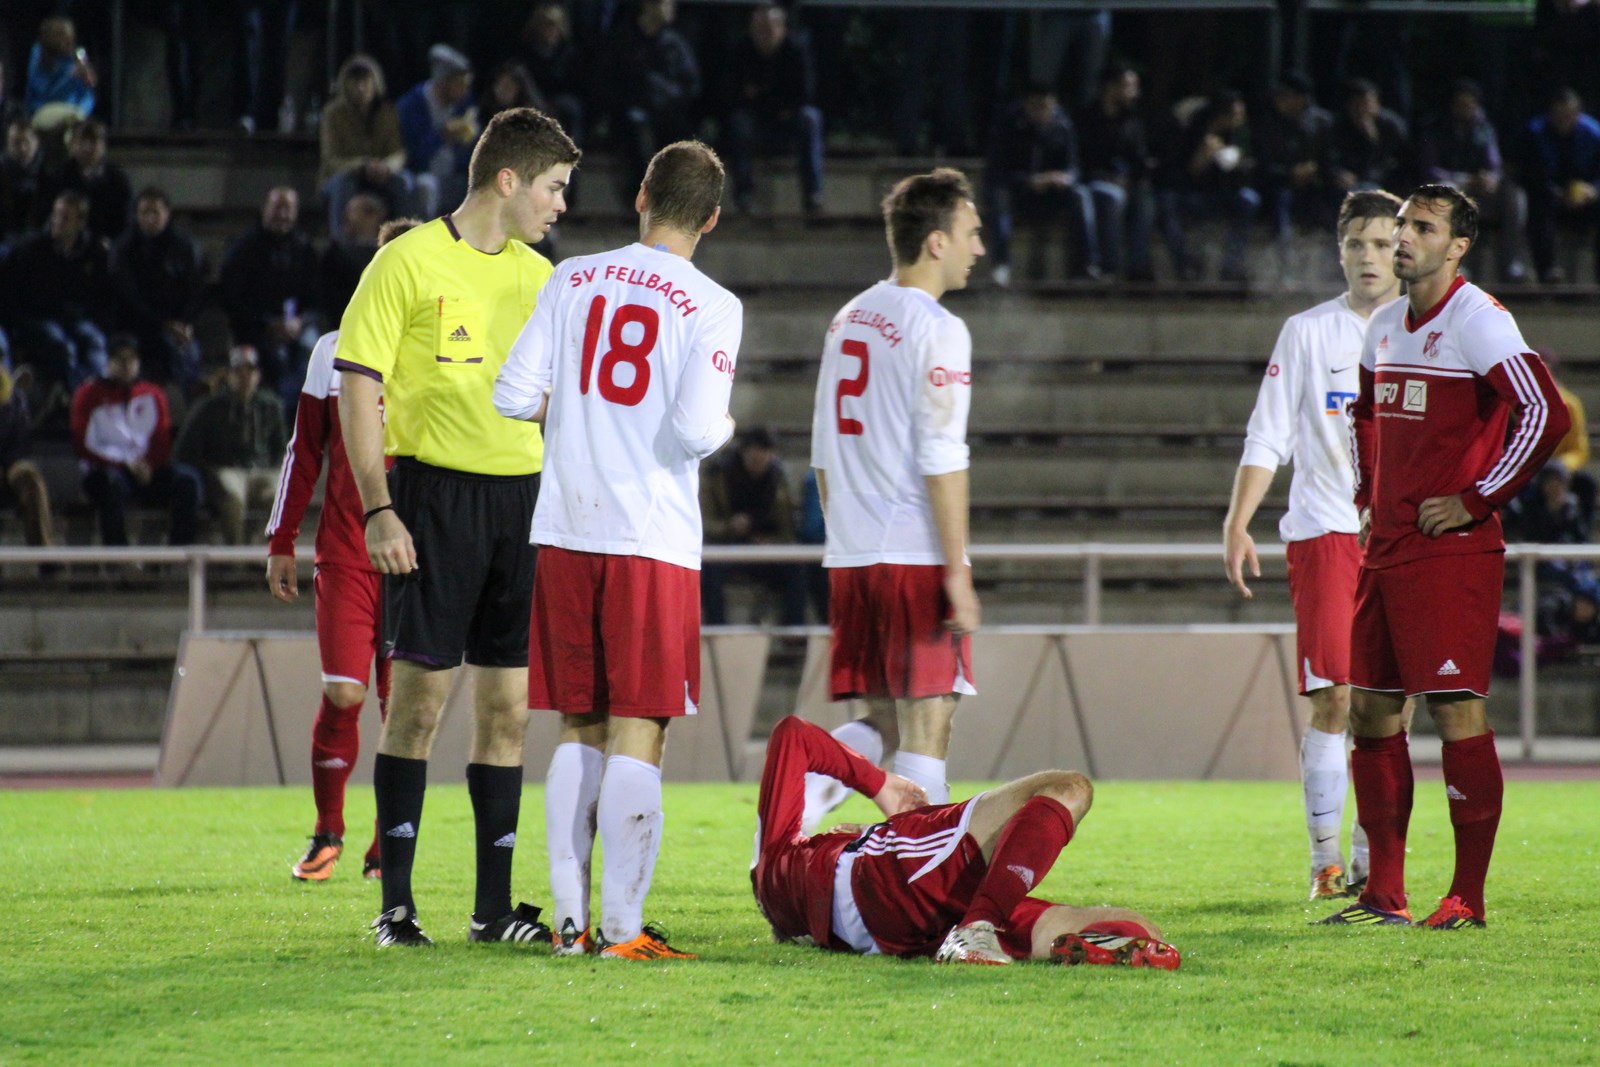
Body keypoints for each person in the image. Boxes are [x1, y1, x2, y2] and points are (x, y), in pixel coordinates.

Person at [335, 106, 580, 949]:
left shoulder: (543, 278)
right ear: (507, 180)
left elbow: (560, 402)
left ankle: (492, 910)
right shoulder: (405, 262)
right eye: (552, 188)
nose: (558, 206)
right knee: (419, 703)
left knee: (509, 709)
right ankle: (395, 906)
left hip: (523, 504)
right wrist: (378, 505)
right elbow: (357, 387)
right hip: (432, 499)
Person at [493, 139, 740, 961]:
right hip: (650, 538)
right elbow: (702, 430)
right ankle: (623, 929)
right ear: (708, 217)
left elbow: (512, 394)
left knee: (578, 724)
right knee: (641, 728)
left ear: (641, 195)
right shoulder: (711, 303)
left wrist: (580, 422)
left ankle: (570, 923)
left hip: (564, 527)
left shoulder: (571, 277)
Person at [1321, 184, 1571, 930]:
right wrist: (1369, 495)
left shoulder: (1479, 320)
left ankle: (1466, 895)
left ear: (1457, 246)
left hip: (1451, 550)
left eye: (1420, 227)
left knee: (1455, 711)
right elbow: (1367, 416)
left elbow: (1546, 411)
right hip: (1390, 546)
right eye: (1401, 224)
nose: (1403, 237)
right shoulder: (1387, 324)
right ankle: (1384, 893)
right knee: (1370, 710)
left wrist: (1477, 496)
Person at [1224, 189, 1403, 901]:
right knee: (1334, 696)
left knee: (1387, 705)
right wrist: (1238, 519)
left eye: (1384, 244)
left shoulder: (1419, 337)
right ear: (1340, 250)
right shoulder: (1307, 332)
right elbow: (1268, 432)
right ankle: (1325, 859)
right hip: (1326, 530)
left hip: (1395, 540)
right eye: (1357, 243)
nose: (1370, 256)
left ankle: (1370, 858)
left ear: (1405, 250)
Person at [804, 168, 982, 832]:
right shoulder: (937, 326)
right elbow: (942, 456)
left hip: (852, 550)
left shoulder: (849, 315)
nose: (979, 247)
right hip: (912, 549)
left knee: (880, 716)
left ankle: (799, 802)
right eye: (971, 232)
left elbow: (822, 449)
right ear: (936, 242)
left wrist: (845, 537)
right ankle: (915, 879)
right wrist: (956, 569)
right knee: (929, 716)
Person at [751, 715, 1181, 968]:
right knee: (1069, 788)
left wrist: (859, 831)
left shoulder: (782, 890)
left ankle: (988, 928)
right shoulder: (777, 860)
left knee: (1139, 931)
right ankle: (977, 929)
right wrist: (879, 783)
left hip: (911, 931)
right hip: (895, 882)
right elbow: (793, 733)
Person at [267, 216, 421, 885]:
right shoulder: (332, 350)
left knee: (403, 704)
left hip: (416, 554)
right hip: (346, 551)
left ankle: (389, 841)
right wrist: (282, 539)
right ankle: (329, 828)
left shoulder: (439, 351)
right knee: (345, 688)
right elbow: (305, 451)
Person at [70, 335, 202, 547]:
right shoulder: (88, 394)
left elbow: (162, 437)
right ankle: (118, 556)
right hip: (106, 470)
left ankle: (180, 552)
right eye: (120, 359)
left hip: (147, 469)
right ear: (108, 361)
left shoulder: (153, 394)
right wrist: (124, 463)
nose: (126, 365)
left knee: (188, 481)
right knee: (111, 485)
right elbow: (82, 441)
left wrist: (148, 464)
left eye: (131, 359)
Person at [218, 186, 322, 407]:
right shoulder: (244, 248)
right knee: (277, 360)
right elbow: (233, 299)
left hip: (296, 325)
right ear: (264, 209)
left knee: (314, 355)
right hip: (255, 328)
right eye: (277, 208)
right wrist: (267, 324)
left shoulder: (303, 248)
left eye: (288, 209)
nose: (282, 215)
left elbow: (315, 298)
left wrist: (298, 322)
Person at [175, 345, 288, 544]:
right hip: (225, 468)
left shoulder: (270, 406)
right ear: (228, 375)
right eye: (238, 371)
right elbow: (186, 449)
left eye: (250, 371)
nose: (245, 377)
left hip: (259, 470)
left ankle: (264, 555)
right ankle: (236, 556)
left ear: (258, 375)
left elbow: (281, 447)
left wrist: (276, 468)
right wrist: (205, 470)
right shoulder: (210, 406)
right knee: (233, 496)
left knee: (280, 493)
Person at [1418, 80, 1525, 284]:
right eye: (1461, 105)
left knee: (1513, 195)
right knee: (1446, 193)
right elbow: (1429, 170)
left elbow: (1494, 164)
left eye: (1470, 105)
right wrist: (1466, 180)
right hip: (1451, 188)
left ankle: (1511, 264)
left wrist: (1489, 178)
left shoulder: (1483, 128)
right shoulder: (1434, 129)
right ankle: (1456, 263)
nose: (1466, 110)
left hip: (1480, 194)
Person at [700, 425, 807, 627]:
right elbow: (705, 524)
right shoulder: (719, 475)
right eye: (755, 458)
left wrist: (772, 542)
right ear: (744, 453)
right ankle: (718, 632)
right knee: (710, 571)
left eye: (765, 458)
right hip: (727, 547)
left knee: (797, 569)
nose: (760, 463)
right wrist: (730, 527)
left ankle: (793, 634)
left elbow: (787, 529)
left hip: (763, 549)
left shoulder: (776, 479)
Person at [986, 86, 1094, 286]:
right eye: (1036, 107)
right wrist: (1029, 180)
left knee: (1081, 195)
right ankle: (1001, 264)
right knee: (999, 199)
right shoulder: (1009, 127)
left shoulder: (1063, 127)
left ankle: (1086, 266)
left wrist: (1065, 178)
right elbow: (997, 171)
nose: (1042, 112)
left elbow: (1074, 166)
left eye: (1046, 107)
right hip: (1018, 192)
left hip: (1052, 194)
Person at [724, 3, 824, 216]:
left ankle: (813, 194)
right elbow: (733, 96)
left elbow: (805, 93)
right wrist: (773, 99)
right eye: (759, 29)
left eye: (770, 29)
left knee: (811, 118)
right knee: (740, 123)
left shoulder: (796, 50)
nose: (764, 35)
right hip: (756, 120)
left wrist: (762, 95)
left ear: (782, 29)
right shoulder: (742, 51)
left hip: (788, 120)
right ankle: (744, 194)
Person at [6, 190, 111, 390]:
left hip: (77, 318)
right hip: (40, 318)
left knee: (96, 342)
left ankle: (96, 398)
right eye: (56, 215)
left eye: (65, 218)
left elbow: (102, 295)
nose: (58, 222)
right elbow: (13, 293)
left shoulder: (93, 252)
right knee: (64, 348)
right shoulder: (31, 249)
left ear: (80, 223)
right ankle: (76, 398)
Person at [606, 0, 701, 212]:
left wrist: (668, 95)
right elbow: (613, 83)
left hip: (668, 113)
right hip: (632, 113)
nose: (670, 9)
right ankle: (640, 200)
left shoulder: (675, 43)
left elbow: (691, 84)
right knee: (636, 130)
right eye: (664, 4)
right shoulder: (626, 40)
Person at [1157, 90, 1260, 283]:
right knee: (1168, 206)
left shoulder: (1238, 135)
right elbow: (1185, 174)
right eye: (1236, 115)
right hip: (1191, 194)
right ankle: (1185, 267)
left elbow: (1245, 170)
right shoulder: (1192, 131)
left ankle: (1231, 267)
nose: (1240, 119)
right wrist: (1204, 155)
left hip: (1224, 194)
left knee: (1248, 200)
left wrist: (1237, 164)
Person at [108, 187, 205, 389]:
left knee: (189, 353)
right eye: (145, 212)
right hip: (136, 326)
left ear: (167, 214)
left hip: (177, 326)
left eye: (156, 212)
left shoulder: (184, 247)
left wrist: (184, 323)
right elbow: (129, 297)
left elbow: (195, 290)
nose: (151, 218)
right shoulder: (124, 249)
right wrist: (162, 323)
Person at [1075, 62, 1156, 282]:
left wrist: (1132, 177)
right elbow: (1082, 161)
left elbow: (1139, 160)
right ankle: (1110, 268)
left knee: (1146, 200)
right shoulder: (1087, 119)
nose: (1134, 93)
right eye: (1128, 87)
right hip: (1095, 181)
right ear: (1110, 88)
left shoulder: (1132, 121)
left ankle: (1137, 269)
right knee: (1112, 196)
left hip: (1126, 183)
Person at [319, 54, 413, 235]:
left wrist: (386, 166)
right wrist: (363, 166)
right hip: (344, 176)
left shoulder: (387, 112)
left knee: (405, 182)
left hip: (380, 176)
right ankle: (339, 242)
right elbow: (330, 160)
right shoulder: (332, 114)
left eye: (366, 81)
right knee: (343, 183)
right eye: (355, 82)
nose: (361, 88)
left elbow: (398, 152)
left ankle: (406, 238)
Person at [1520, 87, 1600, 285]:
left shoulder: (1593, 134)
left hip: (1586, 199)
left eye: (1570, 115)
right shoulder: (1535, 133)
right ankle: (1547, 273)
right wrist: (1558, 194)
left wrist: (1592, 191)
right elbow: (1531, 175)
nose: (1565, 120)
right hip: (1549, 197)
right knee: (1538, 211)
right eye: (1560, 115)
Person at [395, 44, 478, 220]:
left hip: (455, 177)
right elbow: (412, 154)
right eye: (460, 84)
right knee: (426, 187)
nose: (465, 90)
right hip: (421, 176)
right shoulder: (412, 105)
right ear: (444, 82)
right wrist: (442, 136)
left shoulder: (463, 105)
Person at [0, 364, 56, 554]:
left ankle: (44, 555)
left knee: (29, 475)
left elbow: (22, 439)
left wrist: (9, 463)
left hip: (12, 460)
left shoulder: (14, 396)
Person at [50, 119, 132, 242]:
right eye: (82, 141)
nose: (87, 147)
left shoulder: (118, 180)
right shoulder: (59, 176)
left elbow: (125, 221)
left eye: (93, 141)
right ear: (72, 145)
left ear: (103, 145)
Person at [24, 15, 94, 131]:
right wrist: (69, 77)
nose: (67, 40)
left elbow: (88, 95)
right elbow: (45, 94)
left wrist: (82, 110)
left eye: (69, 35)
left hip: (73, 112)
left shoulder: (76, 56)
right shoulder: (39, 55)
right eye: (61, 35)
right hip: (43, 109)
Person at [0, 117, 49, 242]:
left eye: (27, 142)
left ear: (37, 142)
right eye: (16, 143)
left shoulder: (49, 169)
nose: (22, 148)